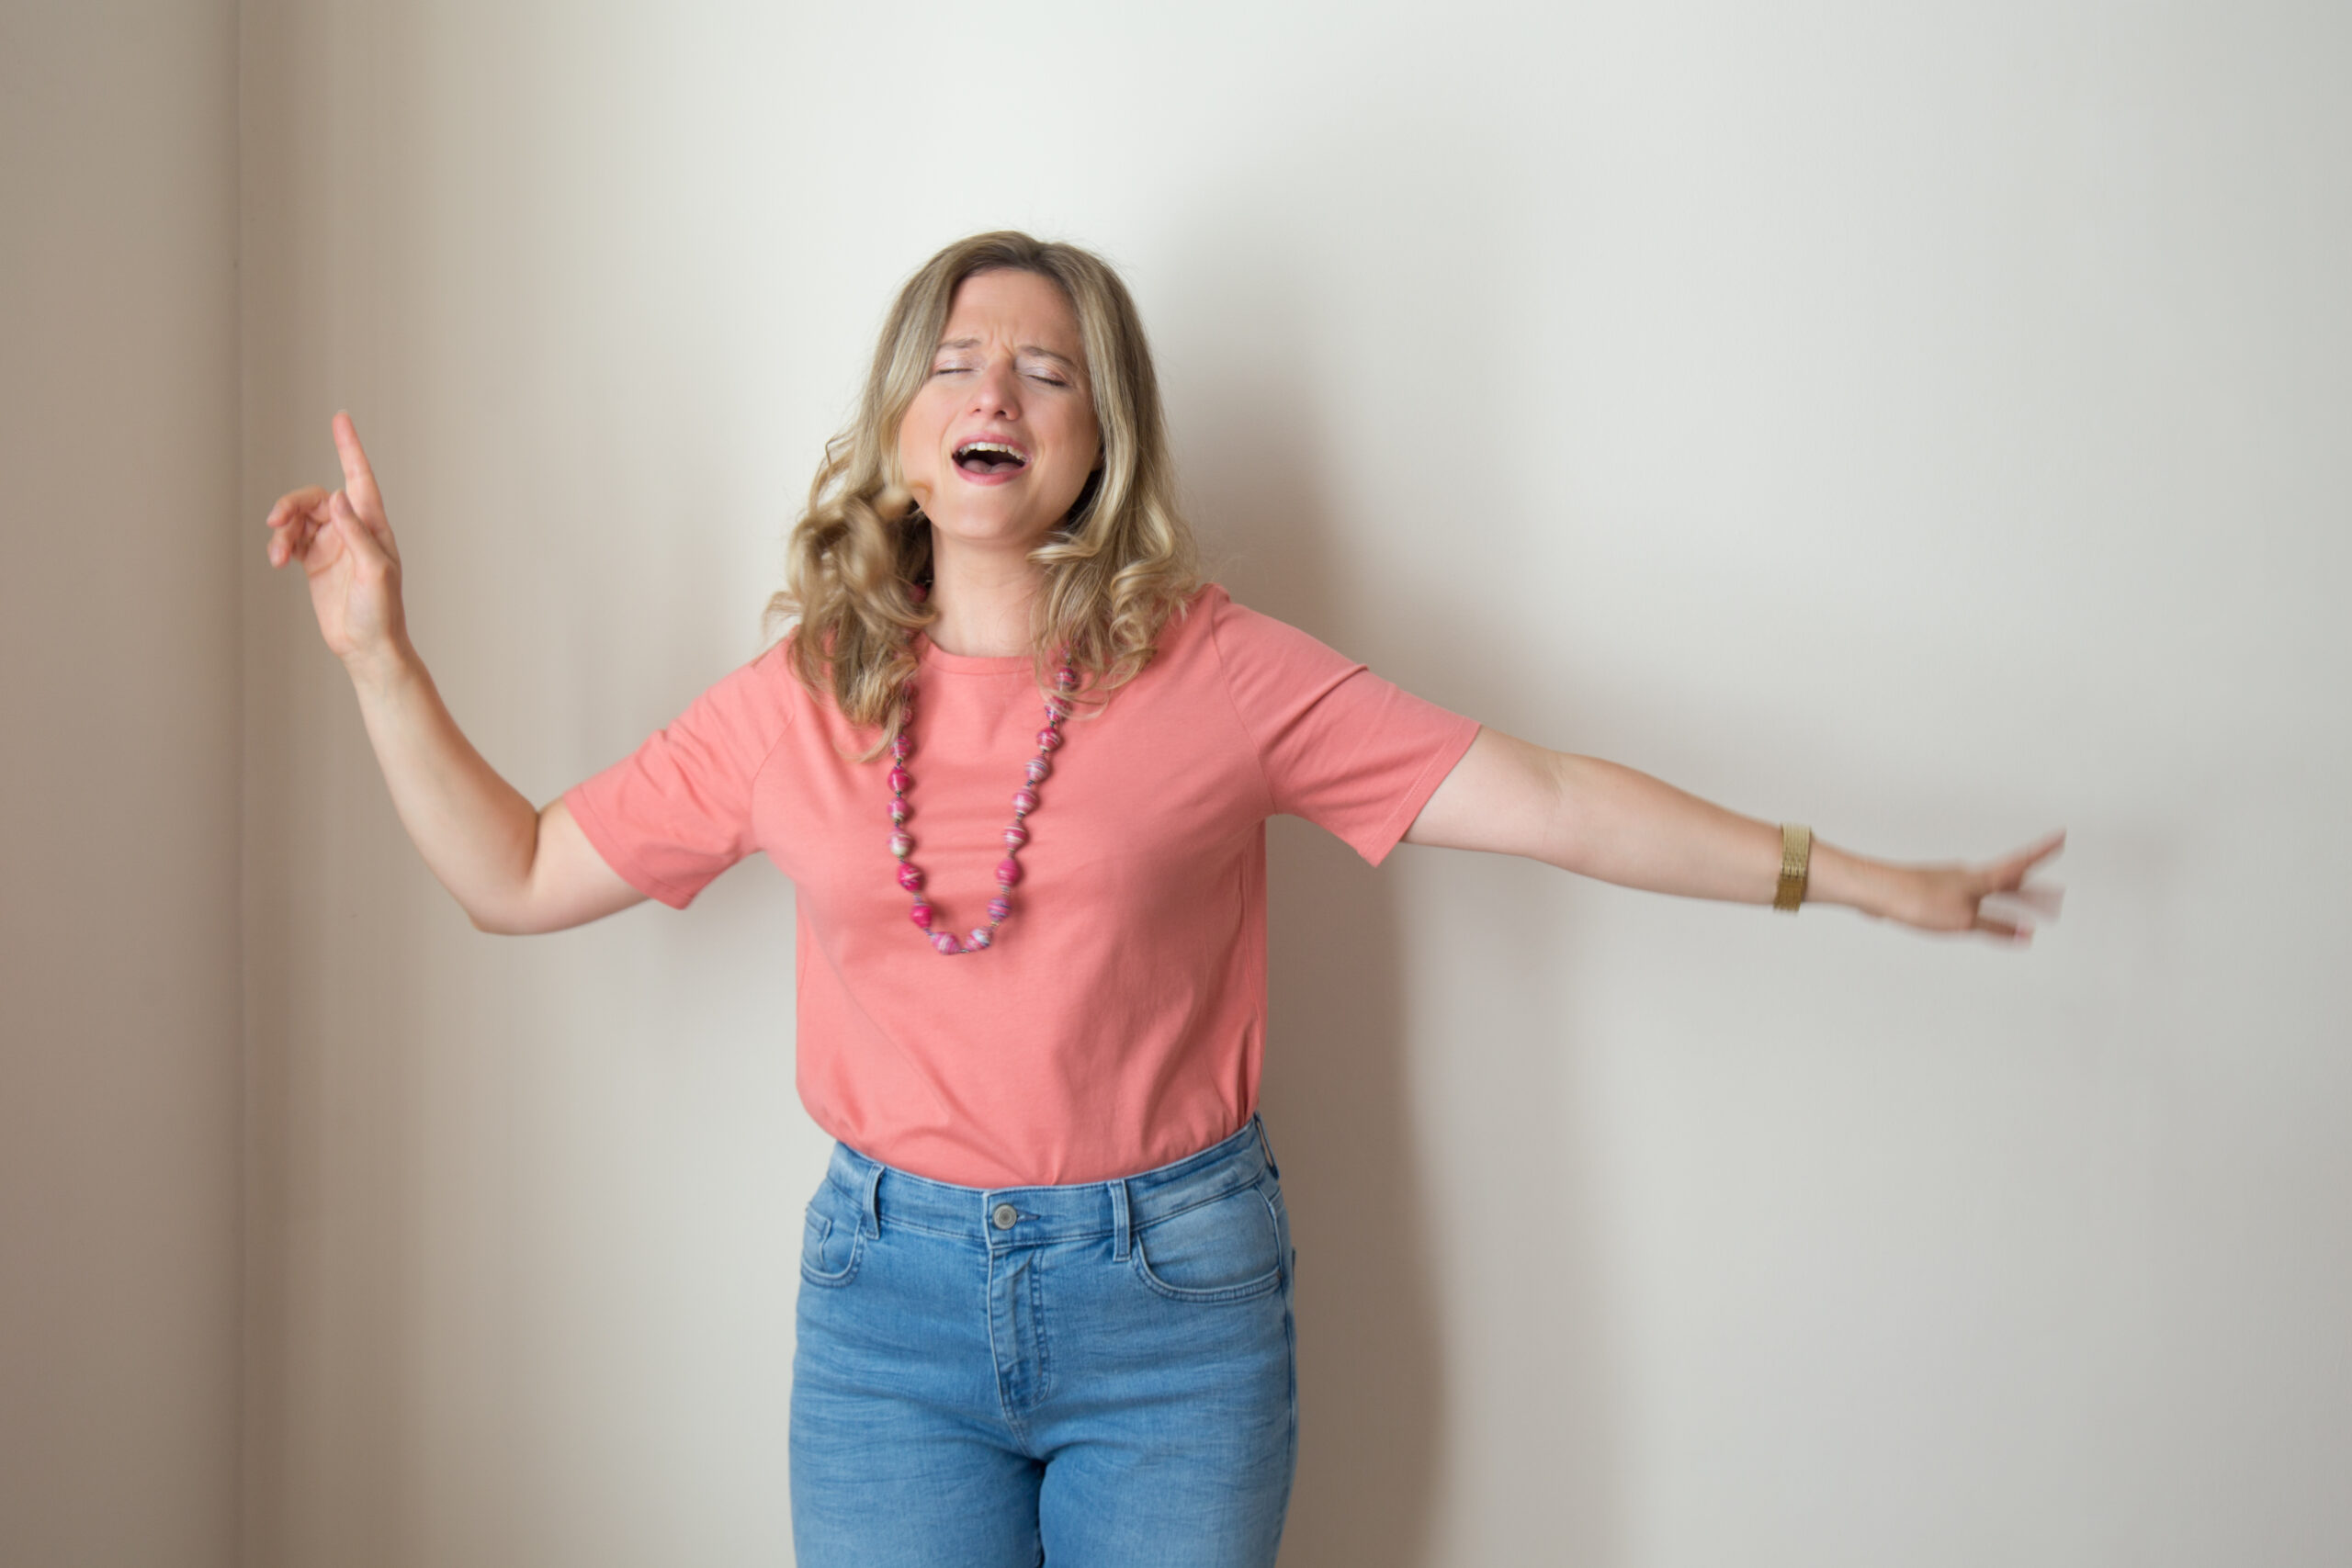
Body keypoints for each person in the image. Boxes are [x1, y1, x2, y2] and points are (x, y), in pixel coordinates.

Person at [264, 231, 2064, 1567]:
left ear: (1098, 439)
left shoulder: (1215, 673)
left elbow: (1560, 801)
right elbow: (510, 875)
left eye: (1047, 371)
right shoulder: (796, 699)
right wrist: (375, 649)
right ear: (896, 426)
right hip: (883, 1305)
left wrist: (1857, 879)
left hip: (1171, 1304)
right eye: (956, 357)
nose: (994, 392)